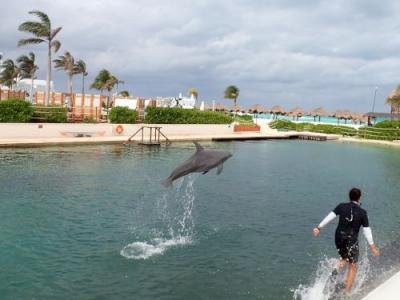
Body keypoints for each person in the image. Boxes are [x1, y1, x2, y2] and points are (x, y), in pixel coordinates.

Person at [313, 187, 380, 293]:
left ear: (349, 197)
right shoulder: (362, 212)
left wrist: (318, 227)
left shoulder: (341, 206)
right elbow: (367, 230)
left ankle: (335, 271)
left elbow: (330, 216)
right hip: (351, 240)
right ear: (359, 198)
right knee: (353, 265)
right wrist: (372, 246)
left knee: (344, 258)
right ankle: (347, 292)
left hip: (339, 237)